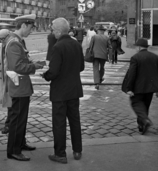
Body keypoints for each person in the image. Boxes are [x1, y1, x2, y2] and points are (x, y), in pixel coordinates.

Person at [42, 17, 84, 164]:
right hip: (74, 90)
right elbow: (81, 67)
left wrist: (45, 75)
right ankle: (77, 150)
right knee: (75, 121)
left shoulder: (58, 46)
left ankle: (60, 154)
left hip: (60, 91)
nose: (52, 32)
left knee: (59, 123)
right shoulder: (76, 44)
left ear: (59, 31)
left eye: (53, 29)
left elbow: (53, 72)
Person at [6, 14, 44, 161]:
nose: (31, 31)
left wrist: (36, 63)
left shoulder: (18, 41)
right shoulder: (15, 42)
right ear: (23, 26)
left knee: (22, 118)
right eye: (30, 28)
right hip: (18, 86)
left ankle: (20, 143)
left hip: (21, 86)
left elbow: (23, 60)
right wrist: (34, 66)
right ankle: (14, 150)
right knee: (17, 120)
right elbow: (18, 66)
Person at [126, 38, 158, 134]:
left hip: (138, 87)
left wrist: (129, 88)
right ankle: (142, 125)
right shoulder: (155, 57)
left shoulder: (135, 57)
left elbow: (131, 74)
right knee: (145, 106)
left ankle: (144, 121)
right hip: (151, 88)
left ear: (139, 47)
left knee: (136, 103)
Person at [0, 29, 12, 134]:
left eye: (3, 38)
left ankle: (8, 124)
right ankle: (9, 123)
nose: (1, 41)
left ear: (8, 36)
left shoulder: (12, 45)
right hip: (2, 77)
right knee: (6, 101)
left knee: (10, 102)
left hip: (10, 78)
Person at [89, 25, 112, 90]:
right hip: (103, 55)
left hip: (95, 55)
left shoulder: (94, 37)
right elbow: (110, 48)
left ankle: (96, 83)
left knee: (95, 68)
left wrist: (90, 53)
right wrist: (110, 57)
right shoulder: (106, 38)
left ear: (98, 31)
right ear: (103, 31)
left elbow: (90, 46)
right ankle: (100, 78)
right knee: (102, 67)